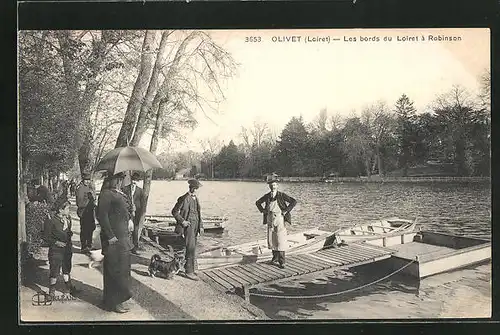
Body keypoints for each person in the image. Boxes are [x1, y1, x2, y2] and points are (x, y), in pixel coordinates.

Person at [97, 172, 134, 313]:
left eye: (121, 179)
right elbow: (102, 215)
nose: (120, 182)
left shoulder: (120, 194)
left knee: (122, 269)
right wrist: (110, 235)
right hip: (113, 239)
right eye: (118, 179)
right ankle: (114, 302)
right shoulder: (106, 194)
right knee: (114, 270)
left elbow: (122, 211)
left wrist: (130, 217)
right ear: (110, 180)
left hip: (123, 238)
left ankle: (113, 300)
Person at [255, 174, 297, 269]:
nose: (272, 187)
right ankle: (275, 258)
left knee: (280, 239)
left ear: (277, 186)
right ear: (269, 186)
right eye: (270, 185)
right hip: (270, 218)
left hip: (280, 218)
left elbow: (294, 201)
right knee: (272, 239)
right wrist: (263, 210)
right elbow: (257, 203)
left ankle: (282, 261)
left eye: (274, 185)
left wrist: (286, 210)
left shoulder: (282, 195)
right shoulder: (267, 196)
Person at [43, 196, 79, 298]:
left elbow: (69, 232)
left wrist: (69, 234)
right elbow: (46, 236)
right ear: (60, 210)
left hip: (67, 249)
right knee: (54, 269)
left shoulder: (68, 219)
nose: (69, 210)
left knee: (66, 268)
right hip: (56, 250)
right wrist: (56, 242)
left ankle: (68, 289)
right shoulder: (51, 220)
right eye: (67, 208)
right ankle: (52, 291)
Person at [171, 179, 204, 281]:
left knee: (193, 247)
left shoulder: (196, 199)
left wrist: (201, 226)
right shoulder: (183, 198)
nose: (199, 192)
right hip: (188, 226)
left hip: (195, 226)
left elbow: (198, 214)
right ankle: (189, 272)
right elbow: (174, 212)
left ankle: (191, 268)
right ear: (194, 189)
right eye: (198, 189)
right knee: (190, 247)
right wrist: (182, 221)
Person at [122, 172, 145, 255]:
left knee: (135, 230)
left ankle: (134, 248)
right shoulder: (125, 189)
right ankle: (125, 247)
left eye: (136, 180)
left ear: (138, 181)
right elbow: (122, 200)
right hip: (127, 212)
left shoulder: (141, 191)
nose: (134, 182)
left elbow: (143, 205)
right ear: (131, 180)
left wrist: (141, 214)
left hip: (137, 213)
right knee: (126, 230)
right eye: (133, 180)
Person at [76, 172, 96, 253]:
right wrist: (89, 201)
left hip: (90, 211)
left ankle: (89, 245)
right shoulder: (80, 188)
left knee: (90, 228)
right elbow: (79, 202)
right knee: (84, 229)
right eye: (86, 180)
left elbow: (94, 198)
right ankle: (84, 246)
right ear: (83, 180)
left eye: (89, 180)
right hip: (84, 212)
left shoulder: (90, 187)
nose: (87, 182)